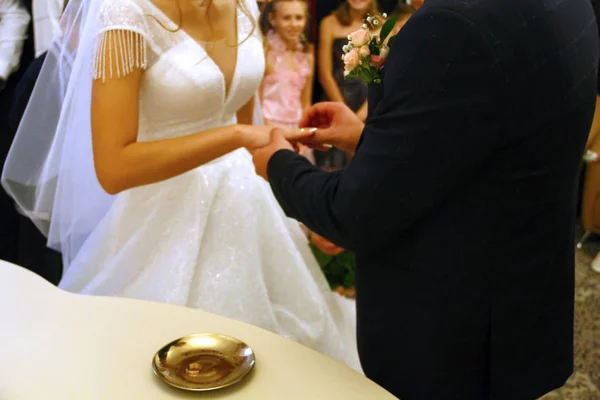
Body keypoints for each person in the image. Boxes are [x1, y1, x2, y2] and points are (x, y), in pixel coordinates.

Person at [251, 0, 599, 398]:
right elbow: (496, 139)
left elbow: (354, 211)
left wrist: (277, 165)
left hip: (455, 334)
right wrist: (374, 141)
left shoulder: (454, 25)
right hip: (525, 305)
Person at [1, 0, 360, 370]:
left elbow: (251, 126)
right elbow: (113, 167)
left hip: (250, 210)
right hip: (159, 218)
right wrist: (234, 136)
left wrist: (302, 202)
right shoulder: (126, 15)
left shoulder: (243, 6)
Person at [316, 0, 380, 170]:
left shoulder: (382, 27)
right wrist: (342, 110)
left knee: (368, 169)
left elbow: (382, 74)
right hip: (336, 99)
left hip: (370, 103)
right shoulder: (328, 23)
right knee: (332, 169)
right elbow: (325, 75)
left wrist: (361, 114)